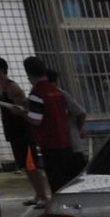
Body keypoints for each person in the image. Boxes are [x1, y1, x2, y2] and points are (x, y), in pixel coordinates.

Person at [0, 56, 48, 207]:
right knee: (26, 166)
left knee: (32, 165)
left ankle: (44, 196)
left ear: (0, 70)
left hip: (23, 132)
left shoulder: (12, 88)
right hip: (12, 131)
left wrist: (17, 110)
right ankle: (38, 194)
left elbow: (24, 110)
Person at [21, 56, 75, 195]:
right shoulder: (57, 92)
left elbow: (35, 120)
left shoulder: (36, 94)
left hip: (50, 143)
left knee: (57, 182)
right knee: (68, 180)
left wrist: (21, 113)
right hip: (65, 141)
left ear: (28, 73)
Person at [46, 69, 88, 179]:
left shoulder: (60, 94)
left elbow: (81, 113)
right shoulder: (51, 95)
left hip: (71, 144)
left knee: (76, 177)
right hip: (62, 144)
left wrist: (78, 128)